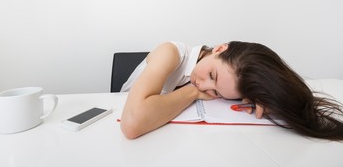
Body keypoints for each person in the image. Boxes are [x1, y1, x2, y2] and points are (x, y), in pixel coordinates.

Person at [120, 41, 343, 140]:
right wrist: (191, 92)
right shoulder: (171, 52)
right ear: (219, 48)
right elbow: (132, 124)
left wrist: (260, 99)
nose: (205, 87)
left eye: (217, 91)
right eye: (212, 76)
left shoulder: (229, 80)